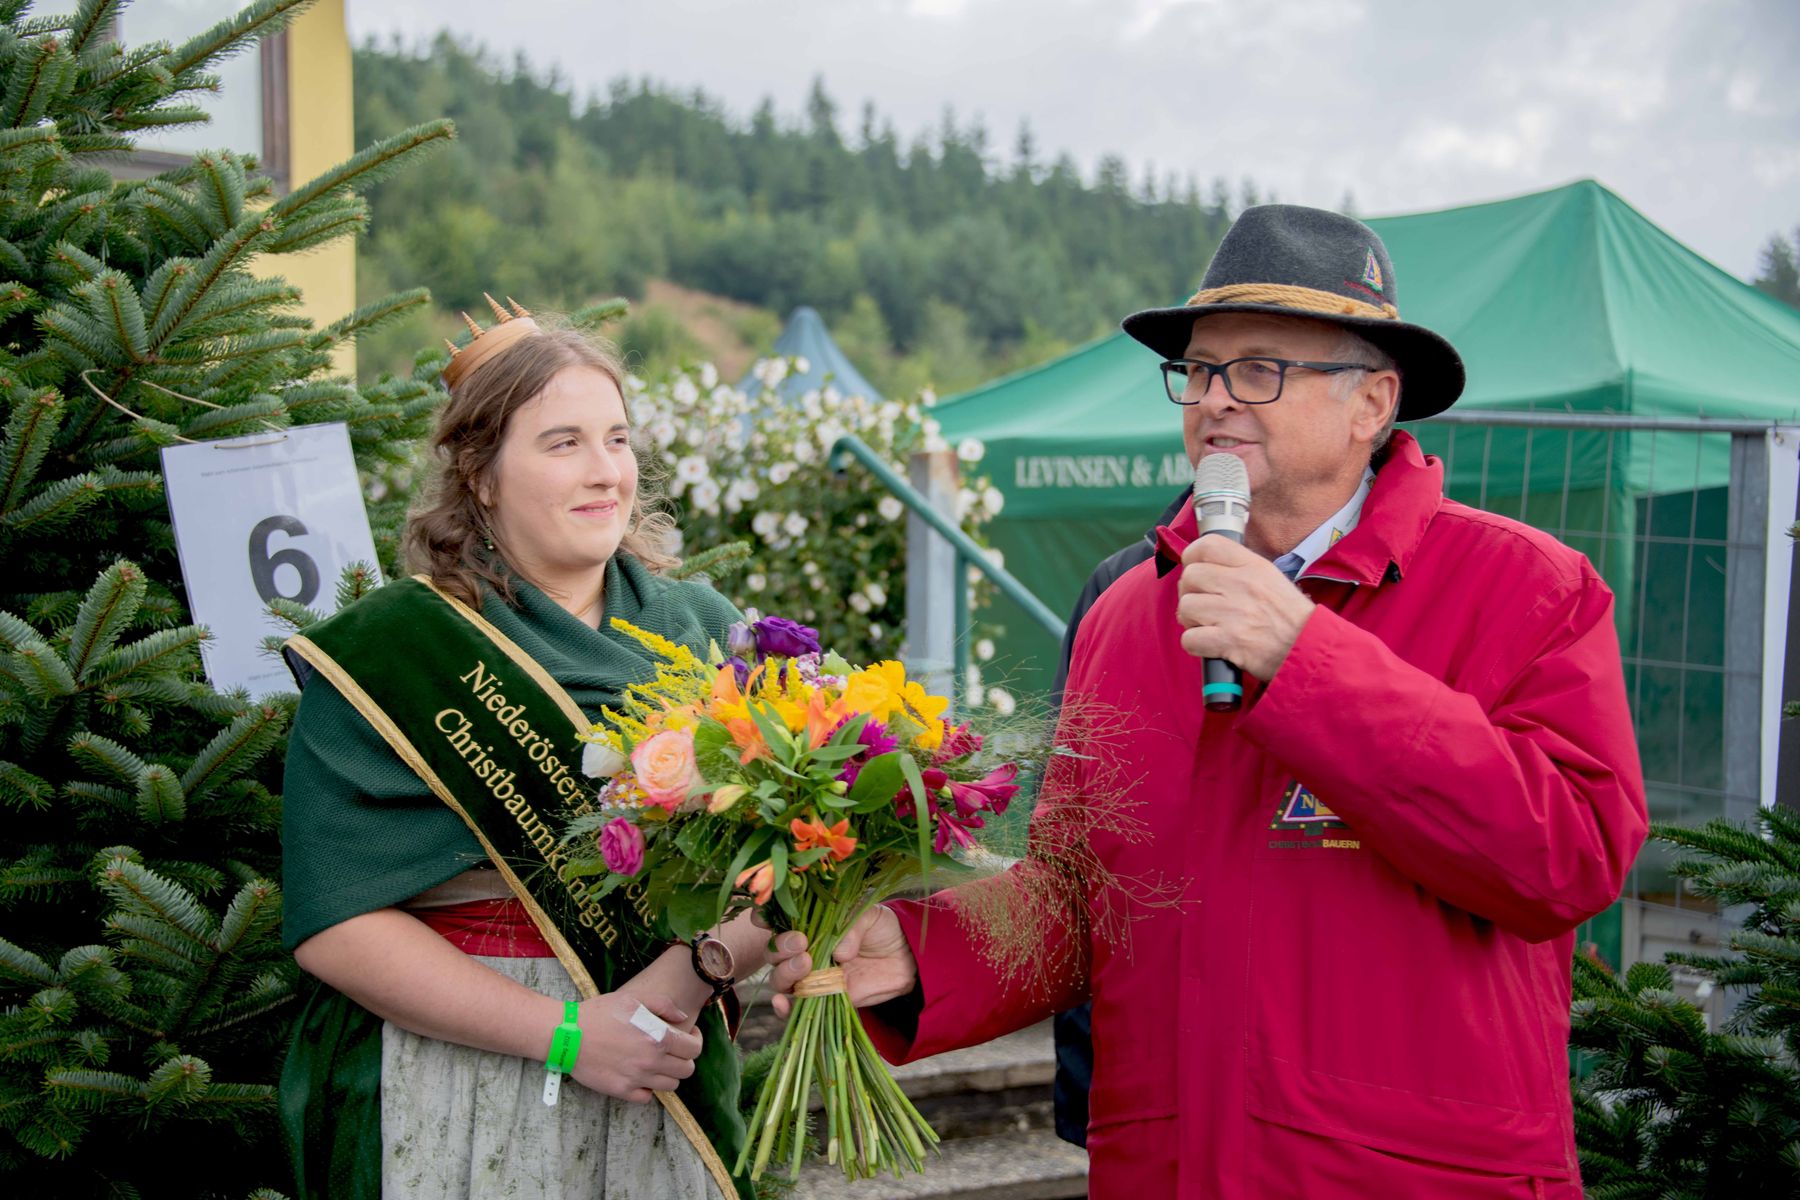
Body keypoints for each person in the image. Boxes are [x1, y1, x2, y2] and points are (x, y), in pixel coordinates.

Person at [770, 206, 1649, 1198]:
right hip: (1169, 1168)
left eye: (1261, 368)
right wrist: (925, 953)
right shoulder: (1126, 616)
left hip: (1406, 1175)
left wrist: (1307, 658)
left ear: (1373, 404)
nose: (1217, 399)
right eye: (1198, 371)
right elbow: (1077, 895)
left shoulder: (1526, 586)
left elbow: (1570, 856)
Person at [279, 301, 764, 1200]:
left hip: (668, 1057)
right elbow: (335, 919)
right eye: (563, 443)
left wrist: (700, 971)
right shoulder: (396, 651)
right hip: (459, 1076)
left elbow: (793, 857)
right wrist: (572, 1033)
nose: (604, 472)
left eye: (617, 439)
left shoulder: (712, 632)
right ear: (481, 473)